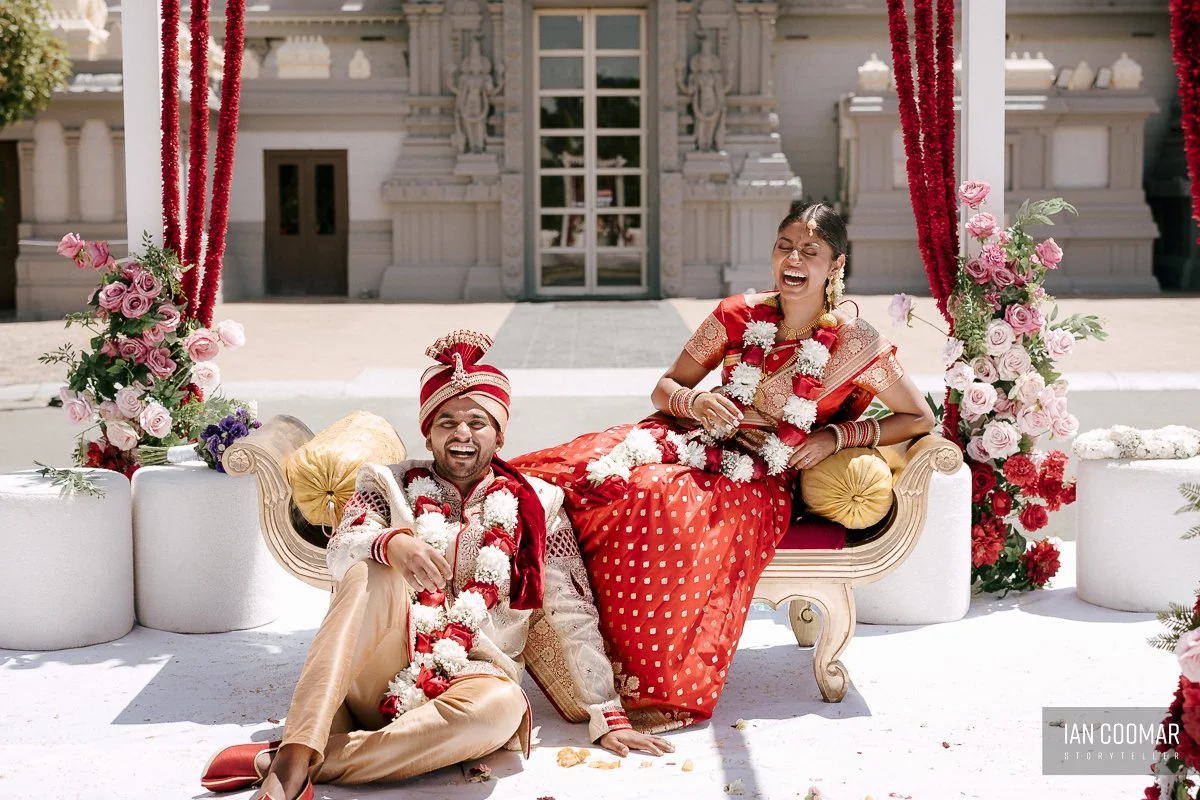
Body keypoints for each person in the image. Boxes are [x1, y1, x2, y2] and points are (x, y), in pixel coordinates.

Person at [511, 201, 936, 732]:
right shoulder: (737, 314)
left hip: (761, 477)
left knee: (657, 498)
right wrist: (695, 404)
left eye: (810, 251)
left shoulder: (855, 342)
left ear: (836, 265)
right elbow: (666, 387)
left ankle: (633, 677)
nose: (793, 259)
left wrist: (837, 435)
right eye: (784, 246)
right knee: (583, 473)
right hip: (692, 436)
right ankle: (546, 614)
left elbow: (917, 415)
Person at [200, 331, 671, 800]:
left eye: (477, 422)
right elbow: (340, 549)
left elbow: (573, 608)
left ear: (500, 434)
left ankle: (300, 757)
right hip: (380, 670)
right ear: (428, 431)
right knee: (369, 568)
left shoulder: (540, 505)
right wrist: (393, 544)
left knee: (504, 707)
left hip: (470, 685)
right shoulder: (387, 483)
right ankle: (294, 759)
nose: (462, 433)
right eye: (446, 421)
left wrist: (607, 713)